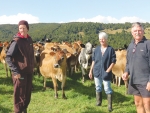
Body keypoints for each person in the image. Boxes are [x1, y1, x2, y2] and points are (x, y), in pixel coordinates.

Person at [6, 20, 34, 113]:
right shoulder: (16, 41)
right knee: (19, 95)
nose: (22, 30)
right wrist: (15, 71)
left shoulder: (29, 40)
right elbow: (8, 57)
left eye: (23, 28)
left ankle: (24, 110)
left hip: (29, 72)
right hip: (20, 73)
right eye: (20, 28)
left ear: (27, 29)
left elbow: (30, 55)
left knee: (27, 94)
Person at [122, 22, 150, 113]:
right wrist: (126, 72)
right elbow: (128, 62)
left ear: (143, 31)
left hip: (145, 82)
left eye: (139, 30)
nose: (137, 32)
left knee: (147, 105)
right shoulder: (130, 46)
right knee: (138, 103)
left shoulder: (148, 44)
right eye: (135, 31)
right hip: (134, 81)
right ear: (132, 33)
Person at [89, 32, 116, 112]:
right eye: (100, 39)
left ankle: (109, 106)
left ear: (106, 39)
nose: (102, 41)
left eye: (103, 39)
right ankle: (99, 102)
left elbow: (113, 61)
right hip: (97, 71)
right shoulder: (97, 49)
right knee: (98, 87)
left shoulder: (110, 49)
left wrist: (108, 70)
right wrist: (91, 71)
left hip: (106, 72)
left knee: (107, 89)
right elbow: (93, 60)